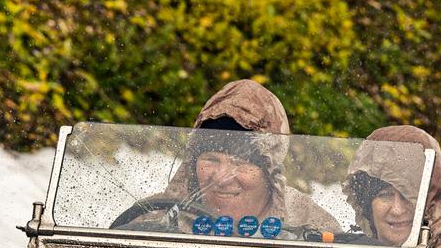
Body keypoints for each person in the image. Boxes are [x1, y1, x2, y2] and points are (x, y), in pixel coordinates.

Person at [132, 80, 340, 235]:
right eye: (211, 159)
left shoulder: (309, 224)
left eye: (240, 163)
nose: (221, 177)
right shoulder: (155, 216)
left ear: (269, 170)